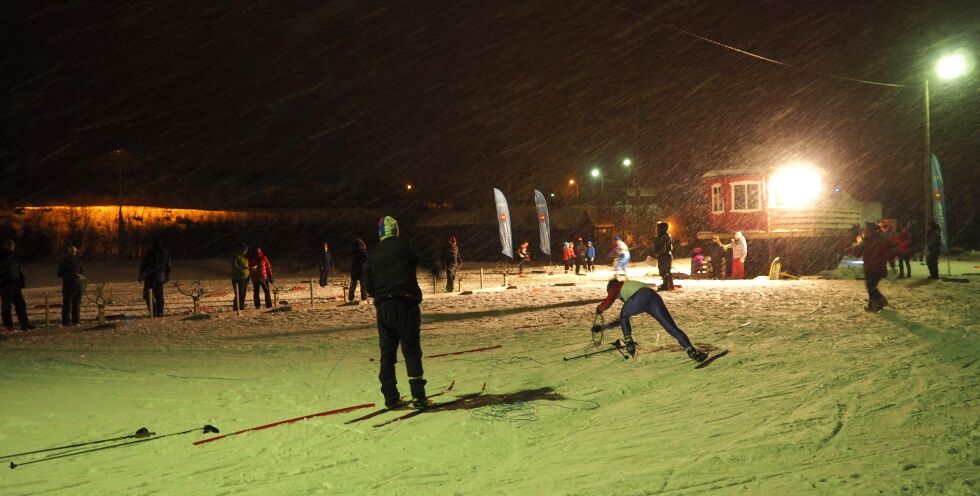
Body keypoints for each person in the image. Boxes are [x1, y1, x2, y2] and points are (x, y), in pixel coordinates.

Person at [363, 215, 436, 409]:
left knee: (387, 354)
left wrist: (381, 292)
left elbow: (367, 283)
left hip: (384, 308)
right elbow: (424, 257)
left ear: (380, 233)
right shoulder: (406, 245)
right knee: (411, 352)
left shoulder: (374, 253)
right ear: (396, 230)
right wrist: (434, 269)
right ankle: (419, 397)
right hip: (406, 305)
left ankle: (391, 396)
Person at [594, 278, 707, 361]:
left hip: (640, 297)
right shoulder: (631, 285)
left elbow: (608, 304)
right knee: (671, 328)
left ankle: (629, 343)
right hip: (654, 298)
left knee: (623, 315)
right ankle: (691, 351)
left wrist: (599, 309)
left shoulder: (618, 286)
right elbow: (622, 320)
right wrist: (604, 327)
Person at [852, 222, 894, 312]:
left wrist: (857, 246)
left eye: (867, 229)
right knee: (871, 287)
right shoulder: (879, 239)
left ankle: (877, 303)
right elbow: (857, 253)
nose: (865, 231)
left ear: (870, 230)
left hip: (873, 267)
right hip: (876, 267)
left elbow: (856, 253)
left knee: (871, 288)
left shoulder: (868, 240)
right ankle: (879, 302)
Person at [0, 239, 34, 331]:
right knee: (6, 307)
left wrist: (22, 279)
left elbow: (17, 270)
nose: (10, 247)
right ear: (5, 246)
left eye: (12, 245)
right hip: (6, 286)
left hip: (16, 285)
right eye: (9, 245)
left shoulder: (14, 257)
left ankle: (25, 324)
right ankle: (9, 326)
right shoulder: (2, 257)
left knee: (21, 305)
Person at [138, 238, 171, 317]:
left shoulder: (149, 253)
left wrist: (141, 274)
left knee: (148, 295)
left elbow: (143, 265)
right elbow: (168, 266)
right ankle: (159, 312)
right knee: (159, 295)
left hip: (150, 277)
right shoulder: (165, 253)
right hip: (159, 277)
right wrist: (166, 275)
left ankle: (154, 311)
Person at [57, 245, 85, 326]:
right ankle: (66, 321)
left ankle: (76, 320)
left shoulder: (78, 261)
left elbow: (82, 271)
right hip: (68, 286)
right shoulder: (64, 262)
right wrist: (71, 275)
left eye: (75, 251)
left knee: (77, 305)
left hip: (78, 285)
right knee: (67, 305)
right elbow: (60, 274)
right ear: (69, 252)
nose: (74, 253)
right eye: (72, 251)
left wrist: (80, 275)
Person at [653, 222, 674, 290]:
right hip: (667, 255)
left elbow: (663, 249)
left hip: (664, 256)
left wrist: (656, 254)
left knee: (663, 271)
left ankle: (666, 285)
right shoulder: (668, 235)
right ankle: (669, 284)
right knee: (667, 271)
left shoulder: (663, 237)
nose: (656, 229)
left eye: (658, 228)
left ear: (661, 229)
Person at [230, 242, 250, 311]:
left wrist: (249, 269)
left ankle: (241, 305)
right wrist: (245, 268)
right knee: (239, 293)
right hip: (238, 278)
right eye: (245, 250)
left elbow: (246, 266)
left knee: (243, 293)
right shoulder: (236, 256)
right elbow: (235, 266)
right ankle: (236, 306)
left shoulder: (244, 257)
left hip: (245, 278)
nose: (246, 251)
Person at [349, 238, 368, 303]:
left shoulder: (352, 252)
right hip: (361, 270)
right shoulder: (363, 252)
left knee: (353, 285)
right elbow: (367, 259)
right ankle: (364, 297)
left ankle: (350, 298)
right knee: (363, 285)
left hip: (354, 271)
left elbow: (352, 260)